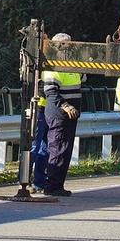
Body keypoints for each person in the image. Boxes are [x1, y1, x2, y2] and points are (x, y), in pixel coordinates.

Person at [39, 32, 83, 196]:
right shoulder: (53, 66)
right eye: (66, 46)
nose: (70, 48)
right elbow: (50, 91)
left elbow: (83, 77)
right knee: (57, 149)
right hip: (59, 114)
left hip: (69, 116)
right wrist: (66, 106)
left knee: (64, 150)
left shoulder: (71, 65)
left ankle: (58, 185)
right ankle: (51, 187)